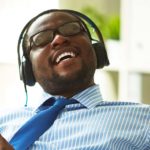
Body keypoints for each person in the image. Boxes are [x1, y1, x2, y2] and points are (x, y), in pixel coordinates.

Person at [0, 9, 149, 150]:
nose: (59, 39)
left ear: (97, 51)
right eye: (41, 38)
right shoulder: (4, 122)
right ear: (28, 70)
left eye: (72, 29)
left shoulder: (145, 121)